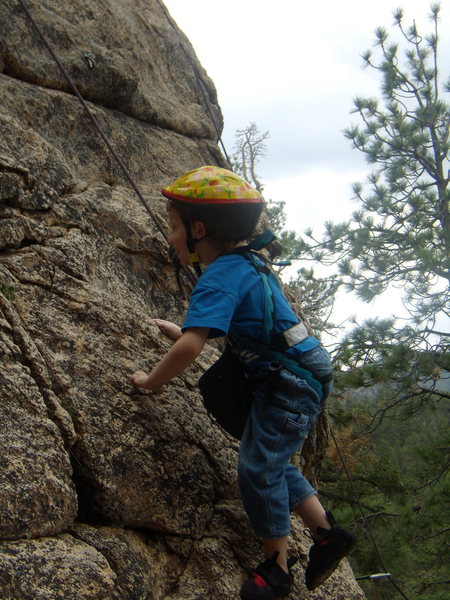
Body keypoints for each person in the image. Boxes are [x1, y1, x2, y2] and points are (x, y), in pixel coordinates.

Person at [130, 165, 356, 599]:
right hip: (298, 371)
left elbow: (193, 349)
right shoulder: (246, 263)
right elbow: (242, 331)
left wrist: (152, 381)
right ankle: (327, 534)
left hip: (287, 379)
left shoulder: (219, 274)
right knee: (270, 457)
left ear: (199, 229)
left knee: (258, 466)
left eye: (174, 228)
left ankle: (276, 568)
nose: (171, 238)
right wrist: (183, 332)